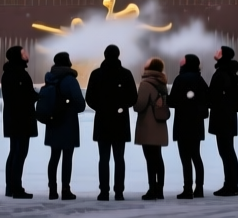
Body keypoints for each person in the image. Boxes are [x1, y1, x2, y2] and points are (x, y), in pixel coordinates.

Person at [85, 44, 138, 201]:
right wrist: (120, 107)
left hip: (102, 120)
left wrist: (101, 108)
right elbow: (133, 98)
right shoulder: (126, 74)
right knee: (119, 158)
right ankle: (119, 191)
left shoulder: (96, 74)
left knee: (103, 158)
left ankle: (104, 191)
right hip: (120, 121)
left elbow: (89, 97)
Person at [43, 51, 86, 200]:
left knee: (54, 156)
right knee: (67, 157)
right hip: (68, 123)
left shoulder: (50, 78)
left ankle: (52, 189)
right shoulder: (70, 80)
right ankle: (66, 189)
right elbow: (80, 103)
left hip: (53, 122)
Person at [208, 45, 238, 197]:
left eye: (219, 51)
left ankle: (230, 185)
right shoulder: (229, 72)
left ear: (223, 55)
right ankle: (232, 184)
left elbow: (214, 97)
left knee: (226, 152)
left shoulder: (222, 73)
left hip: (222, 119)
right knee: (228, 151)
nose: (216, 51)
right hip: (228, 118)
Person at [0, 45, 38, 198]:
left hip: (13, 119)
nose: (26, 54)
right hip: (21, 119)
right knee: (20, 153)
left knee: (14, 152)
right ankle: (16, 188)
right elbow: (23, 96)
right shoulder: (18, 74)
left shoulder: (10, 73)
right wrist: (39, 96)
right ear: (17, 56)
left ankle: (11, 187)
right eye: (23, 53)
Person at [169, 53, 209, 199]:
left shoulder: (180, 79)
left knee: (185, 158)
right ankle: (199, 188)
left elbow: (172, 101)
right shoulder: (200, 80)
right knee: (196, 156)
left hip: (182, 123)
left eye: (183, 59)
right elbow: (207, 98)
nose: (180, 60)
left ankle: (187, 188)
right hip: (196, 124)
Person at [134, 56, 170, 200]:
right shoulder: (162, 83)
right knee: (158, 157)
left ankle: (152, 189)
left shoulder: (146, 84)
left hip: (148, 126)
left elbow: (139, 105)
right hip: (160, 124)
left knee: (150, 158)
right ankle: (159, 189)